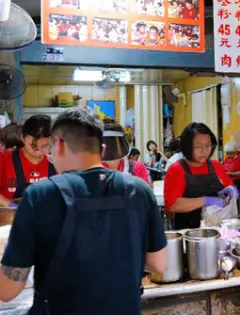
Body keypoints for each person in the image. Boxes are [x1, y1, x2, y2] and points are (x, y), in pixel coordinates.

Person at [0, 107, 166, 313]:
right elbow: (158, 264)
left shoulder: (39, 195)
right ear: (102, 150)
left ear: (58, 145)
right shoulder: (139, 190)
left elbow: (7, 290)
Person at [163, 123, 236, 229]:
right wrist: (205, 200)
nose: (204, 150)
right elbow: (172, 205)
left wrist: (230, 191)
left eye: (208, 145)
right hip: (189, 233)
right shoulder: (176, 170)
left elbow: (228, 186)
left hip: (216, 229)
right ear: (187, 147)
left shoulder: (215, 165)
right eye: (198, 146)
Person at [0, 115, 56, 207]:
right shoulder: (4, 159)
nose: (38, 150)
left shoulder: (57, 161)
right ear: (22, 138)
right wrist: (12, 206)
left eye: (44, 145)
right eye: (33, 145)